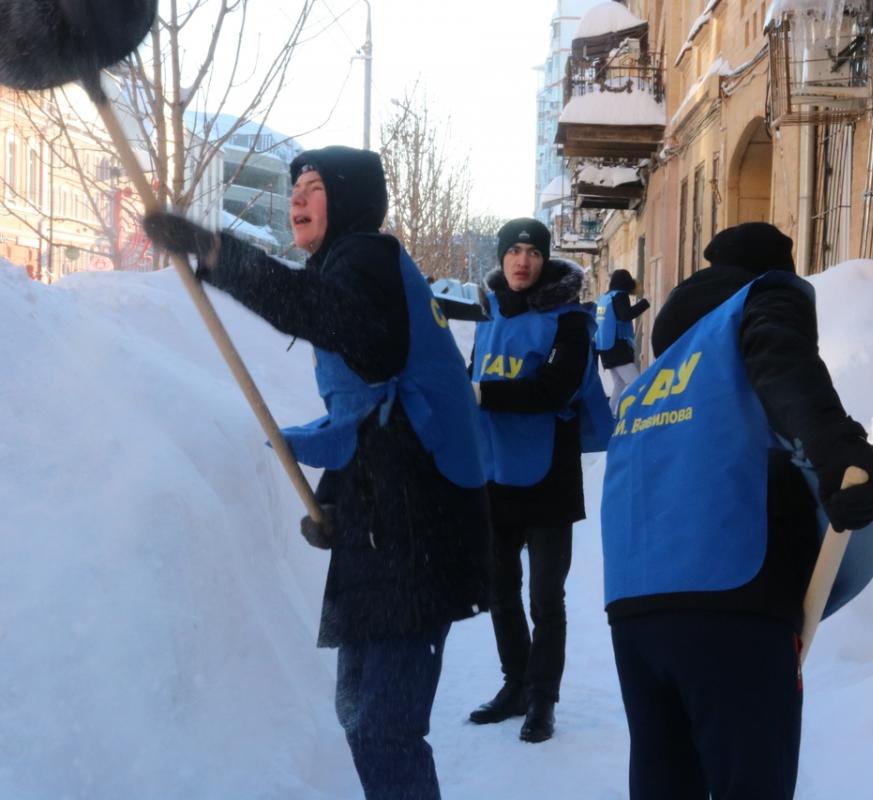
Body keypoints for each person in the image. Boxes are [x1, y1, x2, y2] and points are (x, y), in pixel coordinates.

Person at [142, 145, 490, 800]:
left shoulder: (366, 259)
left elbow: (336, 321)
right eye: (293, 187)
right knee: (361, 715)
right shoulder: (351, 268)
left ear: (350, 196)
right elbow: (370, 418)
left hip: (417, 535)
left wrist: (219, 254)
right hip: (393, 524)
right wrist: (344, 509)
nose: (296, 198)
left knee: (384, 724)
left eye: (313, 185)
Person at [600, 222, 873, 799]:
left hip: (635, 608)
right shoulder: (762, 299)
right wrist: (840, 453)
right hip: (733, 590)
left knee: (664, 782)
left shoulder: (663, 372)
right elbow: (784, 365)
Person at [466, 217, 611, 743]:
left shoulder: (571, 321)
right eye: (513, 251)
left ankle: (543, 699)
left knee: (546, 599)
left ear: (545, 259)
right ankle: (516, 684)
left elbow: (555, 389)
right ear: (502, 258)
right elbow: (467, 385)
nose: (522, 260)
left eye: (532, 251)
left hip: (549, 474)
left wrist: (485, 395)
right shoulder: (488, 316)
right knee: (501, 591)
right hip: (494, 473)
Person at [594, 268, 649, 414]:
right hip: (617, 348)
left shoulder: (604, 298)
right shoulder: (620, 295)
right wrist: (645, 303)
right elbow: (625, 315)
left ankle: (610, 414)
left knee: (619, 384)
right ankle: (640, 414)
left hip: (605, 348)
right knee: (637, 383)